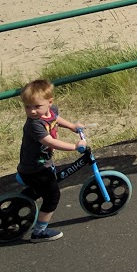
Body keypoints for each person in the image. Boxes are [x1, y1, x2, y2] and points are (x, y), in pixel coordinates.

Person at [16, 79, 88, 242]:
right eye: (27, 107)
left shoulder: (51, 110)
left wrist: (71, 126)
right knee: (52, 196)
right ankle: (39, 232)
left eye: (36, 106)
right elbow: (50, 142)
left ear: (50, 102)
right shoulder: (34, 124)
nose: (32, 111)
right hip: (34, 168)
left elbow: (55, 118)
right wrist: (74, 146)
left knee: (42, 189)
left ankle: (18, 205)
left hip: (42, 163)